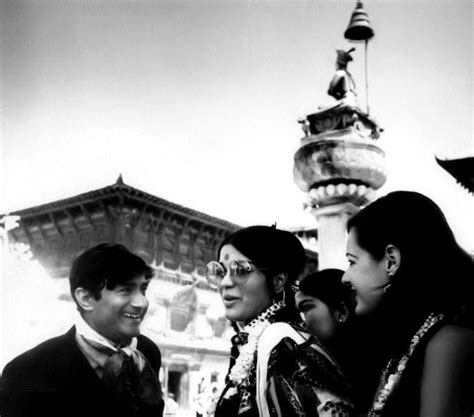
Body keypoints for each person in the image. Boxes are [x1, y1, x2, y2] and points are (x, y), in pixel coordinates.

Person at [342, 191, 474, 417]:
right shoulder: (407, 339)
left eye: (352, 262)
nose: (345, 277)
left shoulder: (448, 342)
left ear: (391, 261)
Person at [0, 243, 164, 417]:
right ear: (85, 298)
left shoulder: (148, 352)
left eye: (143, 290)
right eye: (125, 290)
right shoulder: (26, 372)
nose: (142, 303)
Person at [206, 225, 355, 417]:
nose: (225, 282)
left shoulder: (285, 346)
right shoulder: (252, 344)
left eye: (240, 270)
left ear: (277, 281)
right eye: (219, 271)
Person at [295, 269, 381, 413]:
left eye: (306, 308)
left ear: (340, 311)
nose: (301, 323)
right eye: (299, 313)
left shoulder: (379, 364)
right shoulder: (317, 367)